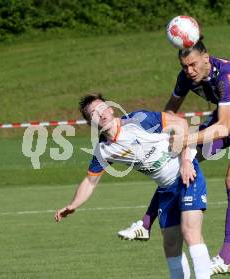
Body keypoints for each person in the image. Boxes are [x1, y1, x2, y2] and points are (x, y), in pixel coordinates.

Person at [117, 38, 230, 276]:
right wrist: (160, 137)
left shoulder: (226, 76)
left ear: (205, 57)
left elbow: (222, 128)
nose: (189, 71)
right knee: (177, 160)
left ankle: (225, 258)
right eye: (184, 66)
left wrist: (186, 139)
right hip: (224, 117)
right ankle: (145, 224)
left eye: (193, 65)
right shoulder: (186, 78)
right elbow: (169, 112)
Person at [55, 93, 211, 279]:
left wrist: (186, 161)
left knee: (190, 232)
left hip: (187, 175)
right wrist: (73, 205)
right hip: (165, 190)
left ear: (111, 108)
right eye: (94, 114)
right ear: (90, 124)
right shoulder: (104, 150)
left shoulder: (139, 120)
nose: (101, 115)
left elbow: (181, 124)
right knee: (170, 244)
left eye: (102, 108)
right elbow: (90, 181)